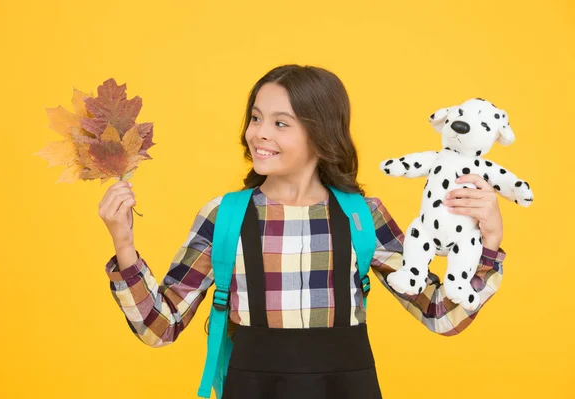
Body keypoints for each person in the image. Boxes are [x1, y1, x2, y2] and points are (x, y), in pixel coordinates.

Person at [98, 64, 506, 399]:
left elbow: (441, 315)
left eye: (281, 123)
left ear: (321, 134)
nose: (259, 133)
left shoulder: (363, 217)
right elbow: (160, 327)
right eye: (256, 118)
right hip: (251, 386)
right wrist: (124, 243)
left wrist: (489, 244)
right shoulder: (225, 217)